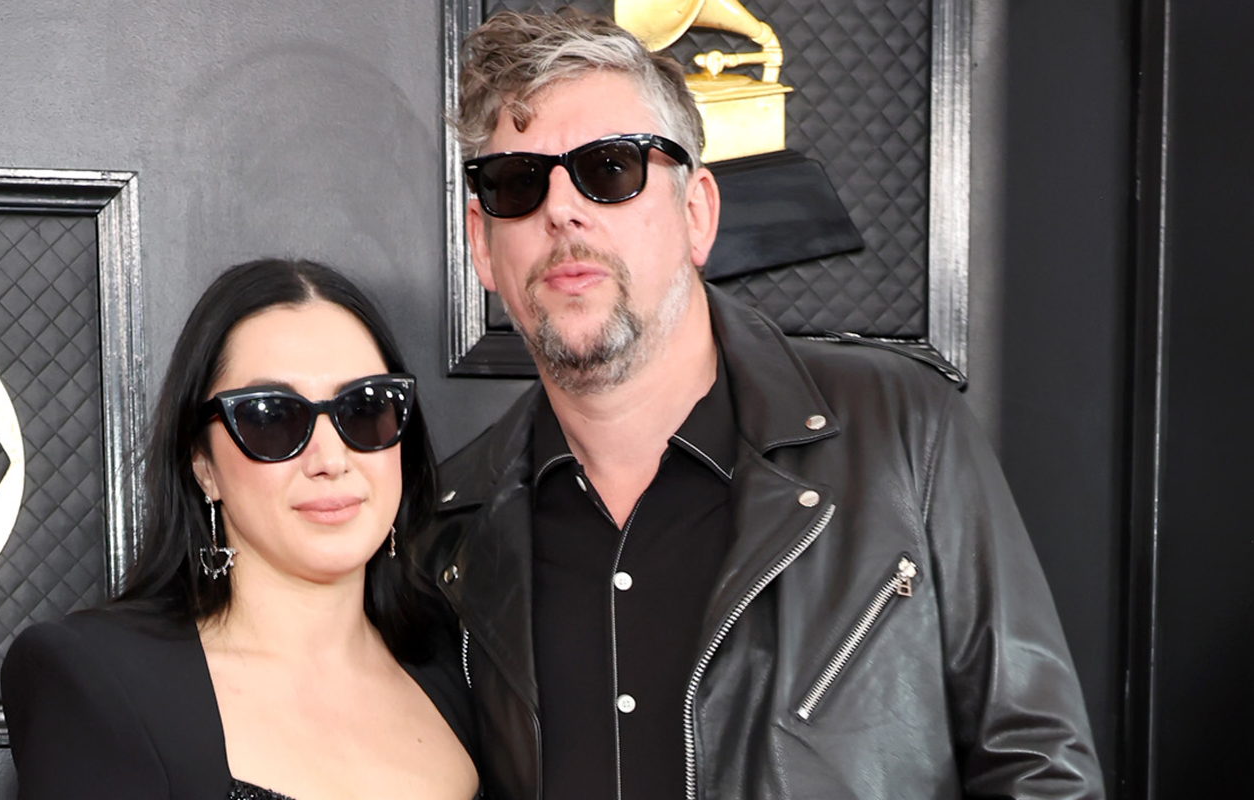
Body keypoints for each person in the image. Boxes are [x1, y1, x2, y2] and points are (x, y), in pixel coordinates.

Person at [416, 10, 1104, 800]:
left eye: (611, 170)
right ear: (481, 242)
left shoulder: (902, 432)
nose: (563, 210)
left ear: (697, 212)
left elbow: (1039, 770)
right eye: (518, 183)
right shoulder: (451, 536)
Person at [2, 259, 479, 799]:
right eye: (272, 418)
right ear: (203, 464)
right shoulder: (96, 678)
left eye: (365, 409)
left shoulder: (465, 660)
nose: (330, 458)